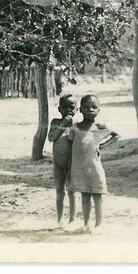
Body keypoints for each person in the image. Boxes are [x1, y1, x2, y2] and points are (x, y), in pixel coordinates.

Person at [65, 94, 119, 234]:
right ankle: (86, 224)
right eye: (86, 107)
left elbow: (116, 135)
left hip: (94, 166)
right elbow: (70, 149)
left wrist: (102, 145)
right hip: (79, 168)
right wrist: (69, 169)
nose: (90, 110)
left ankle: (99, 224)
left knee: (97, 194)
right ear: (80, 110)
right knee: (85, 194)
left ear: (99, 110)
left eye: (94, 107)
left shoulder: (99, 127)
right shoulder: (75, 128)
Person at [47, 93, 78, 228]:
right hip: (58, 163)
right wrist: (64, 125)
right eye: (64, 107)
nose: (68, 110)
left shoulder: (77, 126)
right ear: (59, 109)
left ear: (77, 109)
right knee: (60, 191)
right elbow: (51, 138)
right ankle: (60, 220)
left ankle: (72, 220)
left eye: (71, 107)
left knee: (72, 191)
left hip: (72, 164)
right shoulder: (55, 122)